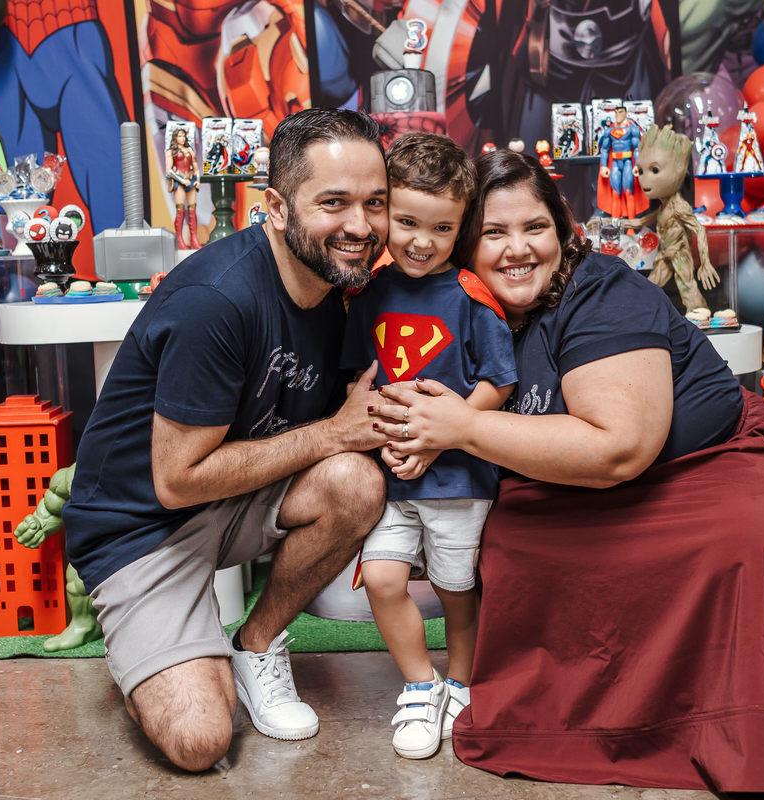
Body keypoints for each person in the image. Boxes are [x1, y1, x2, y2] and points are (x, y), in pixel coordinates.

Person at [369, 150, 764, 794]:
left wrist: (463, 430)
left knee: (736, 546)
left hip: (699, 468)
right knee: (506, 543)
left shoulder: (602, 290)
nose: (517, 249)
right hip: (566, 490)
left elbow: (619, 449)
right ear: (463, 248)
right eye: (492, 234)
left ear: (564, 231)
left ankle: (711, 720)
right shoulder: (459, 309)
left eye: (535, 227)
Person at [62, 107, 392, 772]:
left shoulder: (345, 288)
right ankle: (152, 653)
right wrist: (335, 431)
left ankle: (256, 642)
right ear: (275, 206)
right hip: (140, 525)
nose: (360, 226)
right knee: (199, 741)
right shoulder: (218, 298)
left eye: (375, 203)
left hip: (242, 496)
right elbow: (177, 479)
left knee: (356, 483)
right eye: (334, 203)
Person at [340, 132, 517, 760]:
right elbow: (359, 381)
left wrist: (445, 437)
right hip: (389, 473)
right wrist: (383, 439)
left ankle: (462, 684)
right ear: (385, 211)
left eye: (441, 227)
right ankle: (421, 684)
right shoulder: (368, 292)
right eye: (407, 220)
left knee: (454, 585)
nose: (421, 240)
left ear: (462, 225)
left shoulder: (472, 296)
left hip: (457, 479)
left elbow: (500, 380)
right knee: (385, 579)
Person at [165, 126, 200, 249]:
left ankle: (194, 238)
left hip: (191, 180)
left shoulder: (189, 150)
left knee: (192, 210)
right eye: (179, 135)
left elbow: (196, 166)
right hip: (179, 181)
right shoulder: (170, 152)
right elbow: (169, 170)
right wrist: (181, 180)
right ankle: (180, 240)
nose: (182, 138)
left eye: (183, 135)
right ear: (175, 137)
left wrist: (198, 180)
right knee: (180, 210)